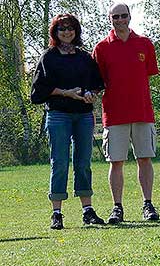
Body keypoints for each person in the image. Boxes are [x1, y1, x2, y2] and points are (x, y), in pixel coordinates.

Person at [31, 14, 105, 230]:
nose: (66, 32)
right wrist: (66, 93)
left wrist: (91, 93)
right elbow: (37, 92)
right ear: (55, 32)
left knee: (83, 163)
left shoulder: (84, 57)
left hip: (83, 115)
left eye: (70, 28)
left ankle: (87, 211)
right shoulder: (48, 57)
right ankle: (57, 213)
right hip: (58, 115)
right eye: (62, 28)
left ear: (76, 31)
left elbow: (97, 84)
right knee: (60, 162)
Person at [93, 3, 160, 223]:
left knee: (145, 159)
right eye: (115, 16)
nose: (120, 20)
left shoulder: (144, 44)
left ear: (130, 16)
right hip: (114, 115)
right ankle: (117, 207)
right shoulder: (101, 48)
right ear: (109, 18)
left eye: (123, 15)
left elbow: (148, 73)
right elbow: (98, 81)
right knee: (116, 162)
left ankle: (148, 205)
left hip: (143, 112)